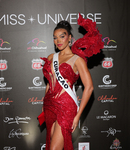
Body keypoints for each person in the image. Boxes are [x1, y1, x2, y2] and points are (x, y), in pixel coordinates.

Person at [41, 14, 103, 150]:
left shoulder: (77, 59)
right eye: (55, 38)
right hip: (50, 105)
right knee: (51, 144)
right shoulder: (52, 57)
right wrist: (44, 103)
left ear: (69, 38)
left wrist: (77, 116)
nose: (58, 40)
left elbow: (89, 88)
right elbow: (50, 82)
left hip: (66, 108)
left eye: (62, 36)